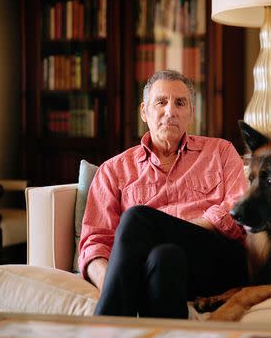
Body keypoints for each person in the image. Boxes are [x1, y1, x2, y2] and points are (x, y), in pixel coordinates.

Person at [78, 69, 248, 319]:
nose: (171, 111)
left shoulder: (221, 152)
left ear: (191, 112)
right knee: (164, 256)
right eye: (161, 102)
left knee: (137, 218)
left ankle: (104, 331)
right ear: (144, 111)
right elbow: (94, 244)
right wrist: (112, 284)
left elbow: (238, 211)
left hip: (216, 262)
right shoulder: (113, 170)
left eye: (180, 103)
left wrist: (175, 229)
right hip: (158, 269)